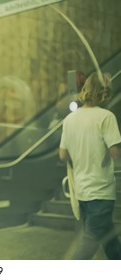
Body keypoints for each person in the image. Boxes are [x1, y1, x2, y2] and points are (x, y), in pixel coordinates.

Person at [59, 71, 121, 260]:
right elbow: (115, 154)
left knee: (109, 241)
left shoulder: (70, 119)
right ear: (104, 92)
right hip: (101, 192)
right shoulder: (106, 117)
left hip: (83, 192)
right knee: (89, 244)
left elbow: (62, 155)